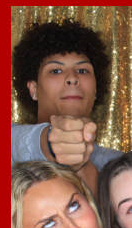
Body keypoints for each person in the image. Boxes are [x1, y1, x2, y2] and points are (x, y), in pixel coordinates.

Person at [11, 16, 119, 189]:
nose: (72, 78)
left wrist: (82, 166)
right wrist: (50, 142)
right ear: (33, 89)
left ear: (96, 89)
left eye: (82, 70)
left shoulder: (120, 164)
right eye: (56, 71)